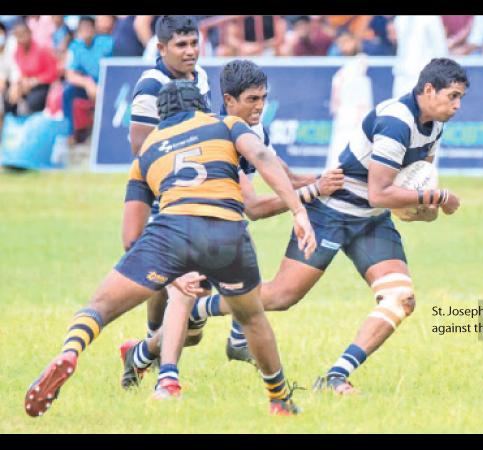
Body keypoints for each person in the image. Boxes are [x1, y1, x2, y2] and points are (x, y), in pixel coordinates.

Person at [24, 80, 317, 417]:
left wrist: (168, 275)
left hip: (170, 233)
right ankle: (279, 399)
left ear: (160, 116)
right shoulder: (225, 124)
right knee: (251, 317)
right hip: (226, 232)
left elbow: (131, 235)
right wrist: (298, 210)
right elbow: (263, 156)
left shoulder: (146, 152)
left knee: (99, 307)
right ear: (202, 105)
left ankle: (71, 351)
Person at [186, 58, 467, 394]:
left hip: (371, 221)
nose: (457, 105)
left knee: (400, 298)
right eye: (452, 96)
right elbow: (380, 193)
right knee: (280, 297)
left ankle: (336, 376)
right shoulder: (395, 121)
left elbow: (411, 188)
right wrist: (438, 196)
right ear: (428, 90)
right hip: (331, 214)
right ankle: (198, 308)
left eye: (460, 97)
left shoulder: (434, 125)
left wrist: (425, 205)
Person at [117, 59, 344, 386]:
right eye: (252, 99)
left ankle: (140, 354)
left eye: (264, 98)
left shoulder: (256, 132)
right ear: (228, 101)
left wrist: (326, 181)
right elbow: (253, 206)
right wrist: (312, 193)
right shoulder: (219, 132)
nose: (260, 106)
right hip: (185, 224)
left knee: (191, 332)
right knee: (186, 306)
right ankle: (167, 380)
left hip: (221, 232)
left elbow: (286, 176)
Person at [125, 16, 211, 358]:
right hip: (163, 191)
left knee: (194, 332)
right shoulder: (150, 87)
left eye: (193, 43)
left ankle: (145, 349)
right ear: (161, 49)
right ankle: (153, 343)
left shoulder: (200, 76)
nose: (190, 52)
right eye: (181, 45)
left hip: (198, 188)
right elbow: (140, 150)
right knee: (165, 276)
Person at [63, 16, 113, 139]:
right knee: (67, 93)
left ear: (94, 28)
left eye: (88, 27)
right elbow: (69, 74)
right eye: (83, 28)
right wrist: (87, 83)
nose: (86, 30)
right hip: (88, 87)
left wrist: (100, 86)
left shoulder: (107, 42)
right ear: (78, 30)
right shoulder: (75, 46)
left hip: (108, 84)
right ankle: (71, 133)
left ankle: (107, 133)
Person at [4, 20, 58, 117]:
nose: (21, 38)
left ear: (30, 33)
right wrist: (16, 85)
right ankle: (13, 124)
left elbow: (53, 73)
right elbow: (19, 71)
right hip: (26, 84)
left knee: (33, 101)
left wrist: (36, 80)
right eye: (18, 35)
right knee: (9, 97)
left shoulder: (42, 49)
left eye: (24, 33)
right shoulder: (18, 51)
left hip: (44, 85)